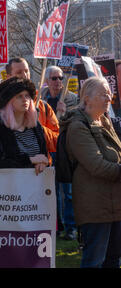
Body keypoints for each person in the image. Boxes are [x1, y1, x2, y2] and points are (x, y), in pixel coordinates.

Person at [61, 77, 121, 268]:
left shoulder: (104, 120)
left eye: (109, 94)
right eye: (103, 94)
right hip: (95, 207)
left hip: (114, 204)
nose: (108, 98)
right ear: (87, 99)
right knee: (94, 261)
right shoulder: (78, 127)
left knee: (113, 260)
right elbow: (97, 165)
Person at [41, 65, 79, 240]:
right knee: (51, 190)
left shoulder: (71, 99)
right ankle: (56, 226)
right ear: (47, 81)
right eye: (54, 78)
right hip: (48, 150)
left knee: (68, 190)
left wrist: (63, 114)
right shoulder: (41, 99)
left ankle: (71, 228)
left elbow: (74, 123)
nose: (58, 82)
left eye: (61, 78)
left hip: (66, 150)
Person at [0, 77, 49, 174]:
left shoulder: (35, 126)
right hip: (8, 184)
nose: (25, 99)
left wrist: (42, 164)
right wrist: (31, 160)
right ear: (9, 101)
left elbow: (43, 155)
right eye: (19, 96)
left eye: (27, 96)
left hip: (35, 182)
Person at [5, 58, 59, 155]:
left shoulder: (44, 107)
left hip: (42, 167)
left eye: (26, 71)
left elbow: (58, 141)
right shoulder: (2, 108)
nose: (25, 75)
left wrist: (39, 130)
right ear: (9, 77)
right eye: (19, 72)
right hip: (14, 167)